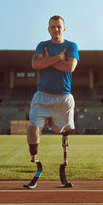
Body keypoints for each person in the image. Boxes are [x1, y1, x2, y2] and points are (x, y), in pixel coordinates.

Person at [27, 15, 79, 163]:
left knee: (66, 130)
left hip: (63, 98)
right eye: (53, 27)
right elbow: (35, 64)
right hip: (42, 96)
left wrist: (47, 61)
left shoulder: (71, 46)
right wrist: (58, 58)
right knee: (32, 128)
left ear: (64, 28)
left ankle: (64, 158)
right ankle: (34, 159)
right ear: (48, 29)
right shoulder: (42, 45)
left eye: (59, 26)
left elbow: (70, 67)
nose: (56, 29)